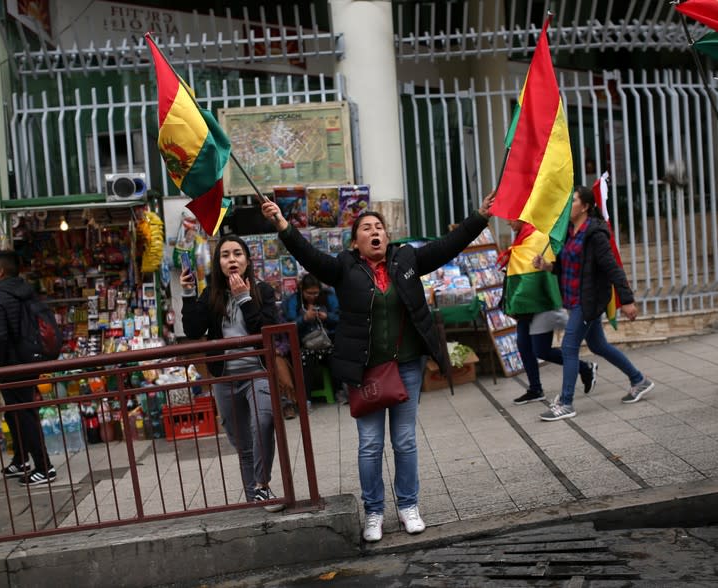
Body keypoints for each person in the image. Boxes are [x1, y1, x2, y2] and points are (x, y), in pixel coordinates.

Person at [262, 193, 495, 542]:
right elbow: (308, 255)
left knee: (404, 440)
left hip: (407, 366)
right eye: (367, 228)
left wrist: (478, 217)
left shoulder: (407, 259)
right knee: (370, 444)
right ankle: (373, 512)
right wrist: (282, 225)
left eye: (380, 228)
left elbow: (448, 245)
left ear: (387, 236)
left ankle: (408, 506)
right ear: (355, 242)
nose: (375, 232)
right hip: (364, 369)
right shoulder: (343, 266)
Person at [179, 235, 284, 512]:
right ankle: (256, 497)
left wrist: (245, 299)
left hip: (258, 372)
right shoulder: (210, 294)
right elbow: (192, 331)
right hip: (225, 377)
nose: (232, 260)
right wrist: (188, 294)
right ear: (219, 263)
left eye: (238, 254)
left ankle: (261, 486)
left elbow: (267, 331)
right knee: (241, 442)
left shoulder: (263, 291)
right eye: (225, 255)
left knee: (263, 421)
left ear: (247, 260)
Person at [532, 185, 654, 421]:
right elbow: (567, 264)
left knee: (569, 347)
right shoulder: (569, 230)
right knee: (598, 345)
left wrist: (627, 300)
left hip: (587, 301)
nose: (569, 204)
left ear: (586, 207)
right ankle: (639, 380)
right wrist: (547, 265)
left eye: (574, 200)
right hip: (573, 298)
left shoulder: (595, 234)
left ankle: (566, 403)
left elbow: (612, 268)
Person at [499, 219, 597, 405]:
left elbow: (544, 271)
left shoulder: (538, 237)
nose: (508, 223)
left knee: (541, 350)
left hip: (541, 303)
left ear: (522, 216)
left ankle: (585, 368)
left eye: (511, 219)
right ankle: (535, 389)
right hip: (524, 306)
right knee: (523, 345)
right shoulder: (521, 238)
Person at [0, 250, 56, 486]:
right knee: (13, 412)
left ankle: (44, 467)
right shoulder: (26, 292)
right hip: (29, 359)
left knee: (23, 414)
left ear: (1, 271)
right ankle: (21, 458)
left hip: (11, 365)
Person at [281, 273, 341, 401]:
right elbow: (289, 325)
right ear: (301, 289)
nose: (313, 297)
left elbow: (340, 318)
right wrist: (304, 318)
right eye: (309, 293)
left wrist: (327, 317)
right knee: (304, 359)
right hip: (304, 344)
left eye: (316, 293)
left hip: (327, 341)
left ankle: (340, 392)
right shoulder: (293, 301)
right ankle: (305, 399)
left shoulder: (328, 297)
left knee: (336, 356)